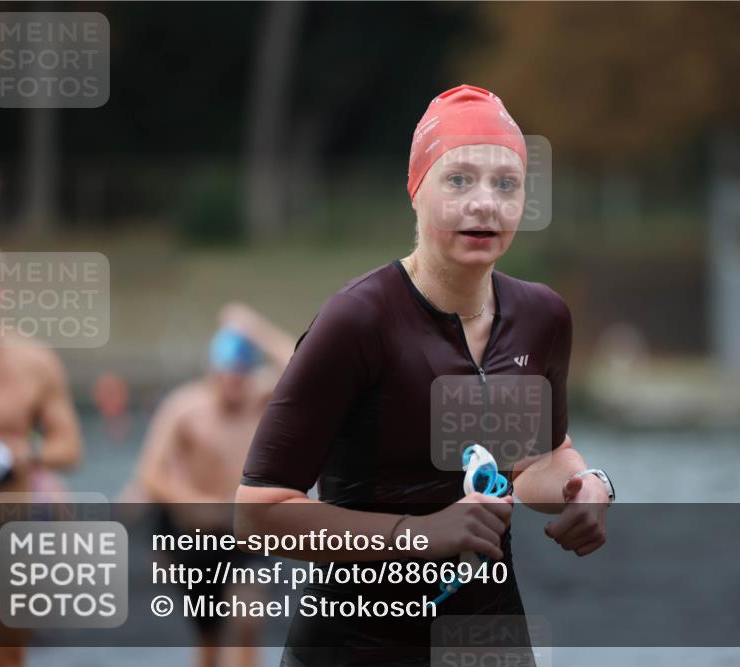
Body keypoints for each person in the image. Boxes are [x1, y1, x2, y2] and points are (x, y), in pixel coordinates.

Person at [236, 84, 614, 666]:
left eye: (506, 184)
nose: (485, 203)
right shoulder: (359, 319)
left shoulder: (542, 316)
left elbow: (537, 457)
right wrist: (416, 536)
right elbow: (259, 511)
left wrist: (583, 485)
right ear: (416, 190)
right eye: (458, 179)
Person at [135, 302, 297, 667]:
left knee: (246, 620)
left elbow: (304, 366)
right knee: (208, 644)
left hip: (243, 535)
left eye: (241, 375)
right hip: (194, 536)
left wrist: (256, 328)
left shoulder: (262, 400)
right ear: (213, 372)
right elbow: (150, 474)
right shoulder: (184, 407)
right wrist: (197, 502)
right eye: (227, 375)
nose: (234, 385)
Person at [0, 240, 84, 667]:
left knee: (8, 654)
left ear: (2, 296)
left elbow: (69, 446)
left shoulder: (35, 363)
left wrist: (26, 453)